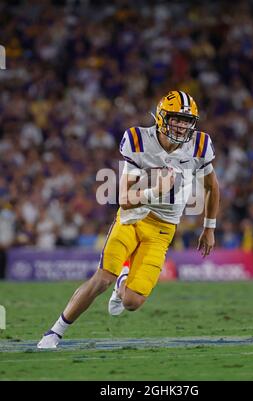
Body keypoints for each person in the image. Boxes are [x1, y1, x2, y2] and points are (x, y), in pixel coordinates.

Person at [37, 90, 220, 349]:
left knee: (132, 302)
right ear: (161, 117)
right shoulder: (137, 139)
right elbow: (124, 198)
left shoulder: (200, 145)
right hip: (133, 218)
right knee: (102, 278)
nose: (182, 125)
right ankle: (55, 332)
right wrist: (156, 190)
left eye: (187, 120)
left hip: (163, 228)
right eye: (176, 118)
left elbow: (213, 187)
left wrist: (209, 228)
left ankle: (124, 279)